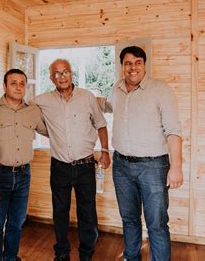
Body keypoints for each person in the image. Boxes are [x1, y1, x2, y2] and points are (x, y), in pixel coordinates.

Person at [101, 46, 183, 261]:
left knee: (156, 222)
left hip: (153, 167)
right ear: (122, 67)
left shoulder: (161, 90)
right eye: (128, 63)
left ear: (144, 65)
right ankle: (131, 257)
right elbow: (108, 107)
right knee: (129, 219)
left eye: (137, 62)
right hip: (121, 165)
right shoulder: (116, 89)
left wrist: (176, 167)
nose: (133, 67)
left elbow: (174, 131)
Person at [34, 59, 110, 261]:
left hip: (85, 166)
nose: (62, 76)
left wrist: (105, 150)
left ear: (71, 74)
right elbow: (20, 106)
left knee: (87, 212)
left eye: (65, 72)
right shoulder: (42, 100)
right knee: (60, 212)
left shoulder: (87, 97)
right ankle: (62, 253)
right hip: (59, 167)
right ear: (51, 78)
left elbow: (101, 125)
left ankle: (87, 253)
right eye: (57, 74)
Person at [0, 68, 48, 261]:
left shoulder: (33, 111)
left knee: (16, 223)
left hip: (23, 175)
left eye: (22, 83)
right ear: (4, 86)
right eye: (13, 83)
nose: (18, 87)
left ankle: (10, 258)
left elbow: (51, 130)